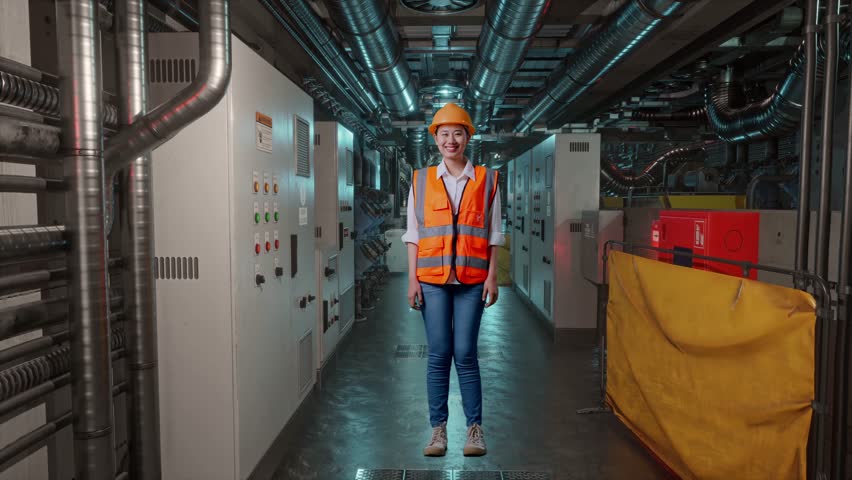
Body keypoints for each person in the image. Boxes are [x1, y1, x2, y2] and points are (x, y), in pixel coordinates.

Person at [401, 102, 504, 457]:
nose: (451, 139)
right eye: (444, 133)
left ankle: (474, 429)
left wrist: (493, 277)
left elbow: (494, 233)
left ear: (467, 138)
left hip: (473, 280)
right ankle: (438, 430)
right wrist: (412, 279)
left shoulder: (487, 180)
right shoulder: (420, 179)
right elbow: (413, 233)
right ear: (436, 138)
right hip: (431, 278)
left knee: (465, 353)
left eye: (457, 133)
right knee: (439, 353)